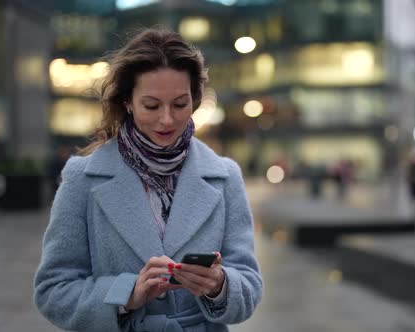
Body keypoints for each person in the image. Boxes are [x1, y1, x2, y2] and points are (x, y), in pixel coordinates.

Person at [34, 28, 263, 332]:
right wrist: (126, 295)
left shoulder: (225, 176)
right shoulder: (82, 179)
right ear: (127, 101)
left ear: (195, 100)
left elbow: (249, 284)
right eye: (152, 106)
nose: (167, 119)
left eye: (180, 104)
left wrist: (220, 286)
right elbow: (52, 291)